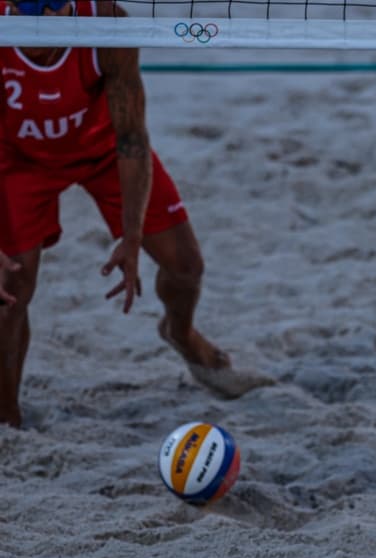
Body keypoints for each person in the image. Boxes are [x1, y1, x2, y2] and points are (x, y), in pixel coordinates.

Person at [0, 0, 271, 429]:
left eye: (57, 7)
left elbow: (131, 136)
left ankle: (180, 334)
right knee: (11, 289)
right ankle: (7, 418)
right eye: (33, 8)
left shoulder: (106, 24)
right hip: (16, 160)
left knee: (186, 266)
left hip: (102, 151)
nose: (46, 20)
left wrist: (131, 235)